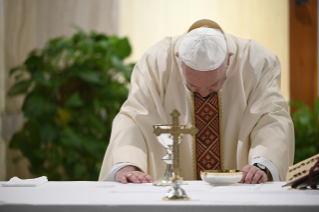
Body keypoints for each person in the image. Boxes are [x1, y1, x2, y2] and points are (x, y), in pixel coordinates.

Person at [98, 19, 294, 184]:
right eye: (192, 85)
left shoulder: (258, 61)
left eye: (213, 84)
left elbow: (272, 117)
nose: (204, 93)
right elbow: (133, 117)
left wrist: (262, 164)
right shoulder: (156, 61)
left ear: (228, 60)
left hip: (237, 187)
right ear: (178, 59)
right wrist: (127, 165)